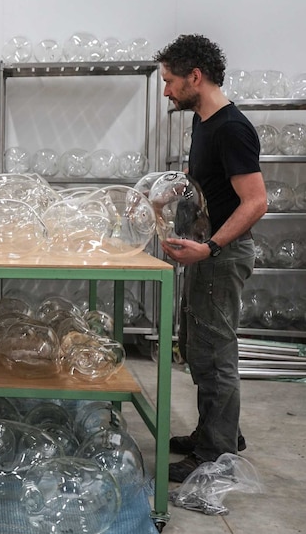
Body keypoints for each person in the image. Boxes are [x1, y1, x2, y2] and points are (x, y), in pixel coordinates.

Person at [154, 34, 267, 483]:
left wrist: (211, 247)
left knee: (217, 354)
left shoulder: (232, 128)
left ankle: (216, 456)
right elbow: (203, 181)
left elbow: (255, 202)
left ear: (194, 77)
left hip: (220, 254)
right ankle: (215, 433)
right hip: (205, 253)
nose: (166, 91)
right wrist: (162, 196)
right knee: (199, 347)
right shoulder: (205, 122)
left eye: (169, 81)